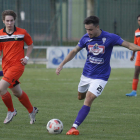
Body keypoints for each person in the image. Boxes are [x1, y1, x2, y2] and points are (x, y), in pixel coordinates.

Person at [56, 16, 140, 135]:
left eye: (90, 29)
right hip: (86, 75)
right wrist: (61, 65)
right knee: (80, 96)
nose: (88, 32)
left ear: (97, 27)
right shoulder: (85, 38)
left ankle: (74, 127)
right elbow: (74, 51)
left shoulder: (110, 37)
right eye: (86, 29)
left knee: (88, 98)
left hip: (101, 76)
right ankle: (82, 105)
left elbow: (129, 45)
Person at [0, 10, 38, 124]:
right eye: (7, 21)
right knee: (17, 93)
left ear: (14, 21)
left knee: (1, 88)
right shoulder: (0, 34)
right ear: (3, 21)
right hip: (6, 67)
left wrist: (26, 58)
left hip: (17, 66)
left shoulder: (22, 32)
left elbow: (30, 44)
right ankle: (32, 111)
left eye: (11, 20)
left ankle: (11, 111)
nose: (10, 23)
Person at [126, 14, 140, 97]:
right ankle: (134, 92)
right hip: (139, 56)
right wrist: (133, 55)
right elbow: (135, 44)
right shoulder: (137, 32)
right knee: (136, 72)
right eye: (139, 20)